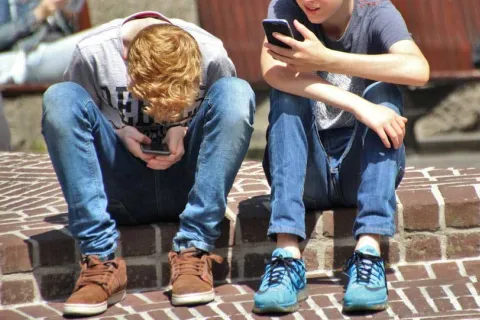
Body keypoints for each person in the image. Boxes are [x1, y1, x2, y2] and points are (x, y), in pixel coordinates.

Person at [41, 11, 255, 317]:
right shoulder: (93, 53)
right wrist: (118, 130)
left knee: (236, 92)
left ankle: (194, 249)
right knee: (60, 97)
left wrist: (182, 127)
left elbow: (222, 120)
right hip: (120, 186)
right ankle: (100, 262)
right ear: (126, 61)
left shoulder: (211, 52)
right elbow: (77, 123)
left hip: (189, 183)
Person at [253, 0, 429, 314]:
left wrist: (328, 59)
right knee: (285, 94)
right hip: (308, 172)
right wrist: (360, 106)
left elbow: (417, 70)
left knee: (385, 95)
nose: (308, 0)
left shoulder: (375, 11)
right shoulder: (285, 9)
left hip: (359, 171)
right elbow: (272, 72)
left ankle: (368, 254)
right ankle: (286, 258)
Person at [0, 0, 87, 151]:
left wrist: (65, 13)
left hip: (50, 52)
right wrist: (38, 14)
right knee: (95, 44)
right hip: (17, 58)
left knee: (108, 37)